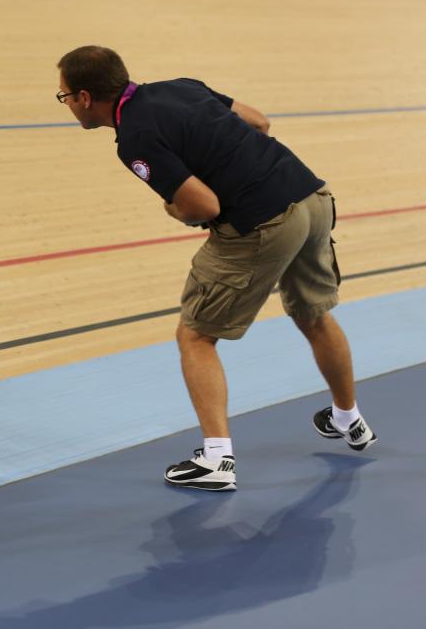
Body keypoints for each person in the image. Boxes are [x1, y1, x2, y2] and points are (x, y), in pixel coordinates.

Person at [55, 45, 376, 492]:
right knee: (314, 314)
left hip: (264, 223)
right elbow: (259, 121)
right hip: (310, 195)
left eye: (65, 96)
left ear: (86, 97)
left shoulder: (135, 140)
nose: (67, 104)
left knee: (196, 335)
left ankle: (216, 461)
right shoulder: (179, 87)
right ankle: (349, 420)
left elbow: (201, 206)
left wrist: (173, 209)